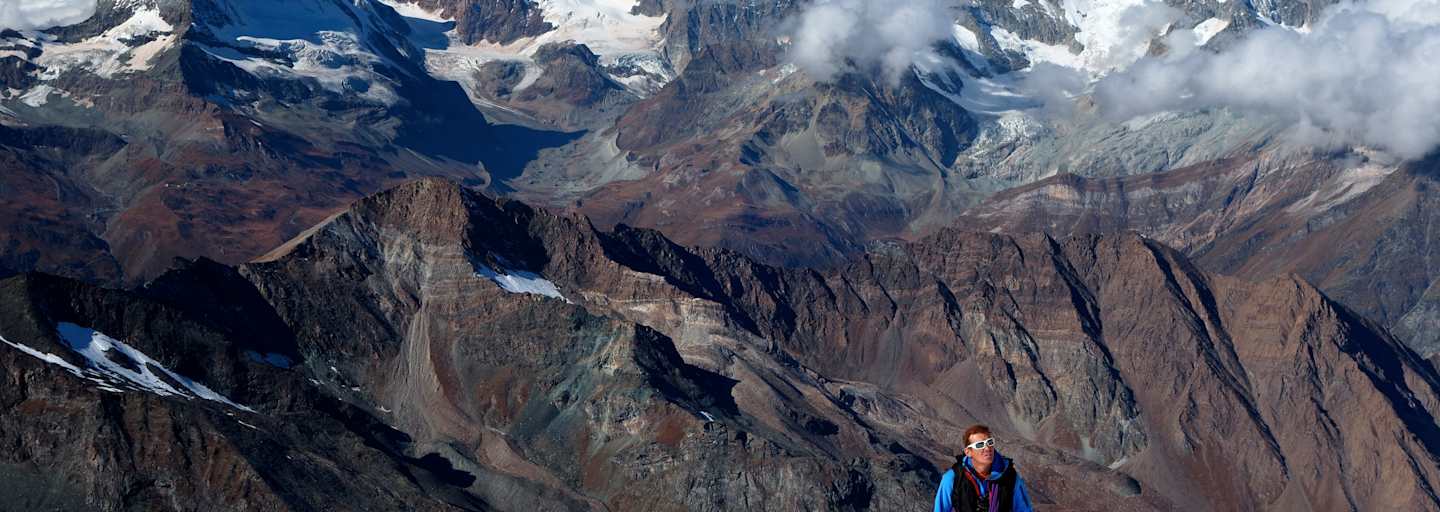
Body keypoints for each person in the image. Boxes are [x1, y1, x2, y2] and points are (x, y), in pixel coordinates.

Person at [932, 424, 1034, 512]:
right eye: (980, 445)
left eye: (990, 442)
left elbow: (1024, 509)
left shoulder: (1009, 477)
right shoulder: (953, 479)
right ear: (968, 452)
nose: (987, 448)